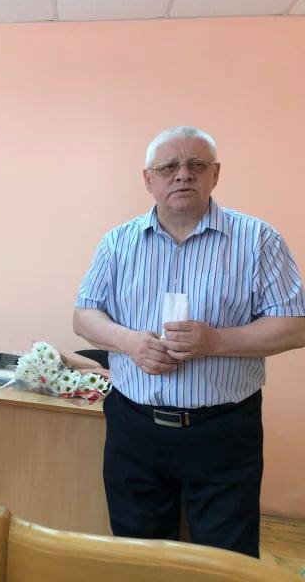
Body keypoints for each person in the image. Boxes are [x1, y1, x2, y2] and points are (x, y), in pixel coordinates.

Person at [73, 125, 305, 557]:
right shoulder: (117, 243)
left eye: (196, 165)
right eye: (168, 167)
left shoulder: (258, 240)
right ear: (148, 180)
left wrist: (215, 341)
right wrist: (129, 342)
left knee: (226, 560)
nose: (183, 174)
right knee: (137, 554)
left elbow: (295, 325)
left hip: (223, 432)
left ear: (215, 174)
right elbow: (84, 317)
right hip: (134, 428)